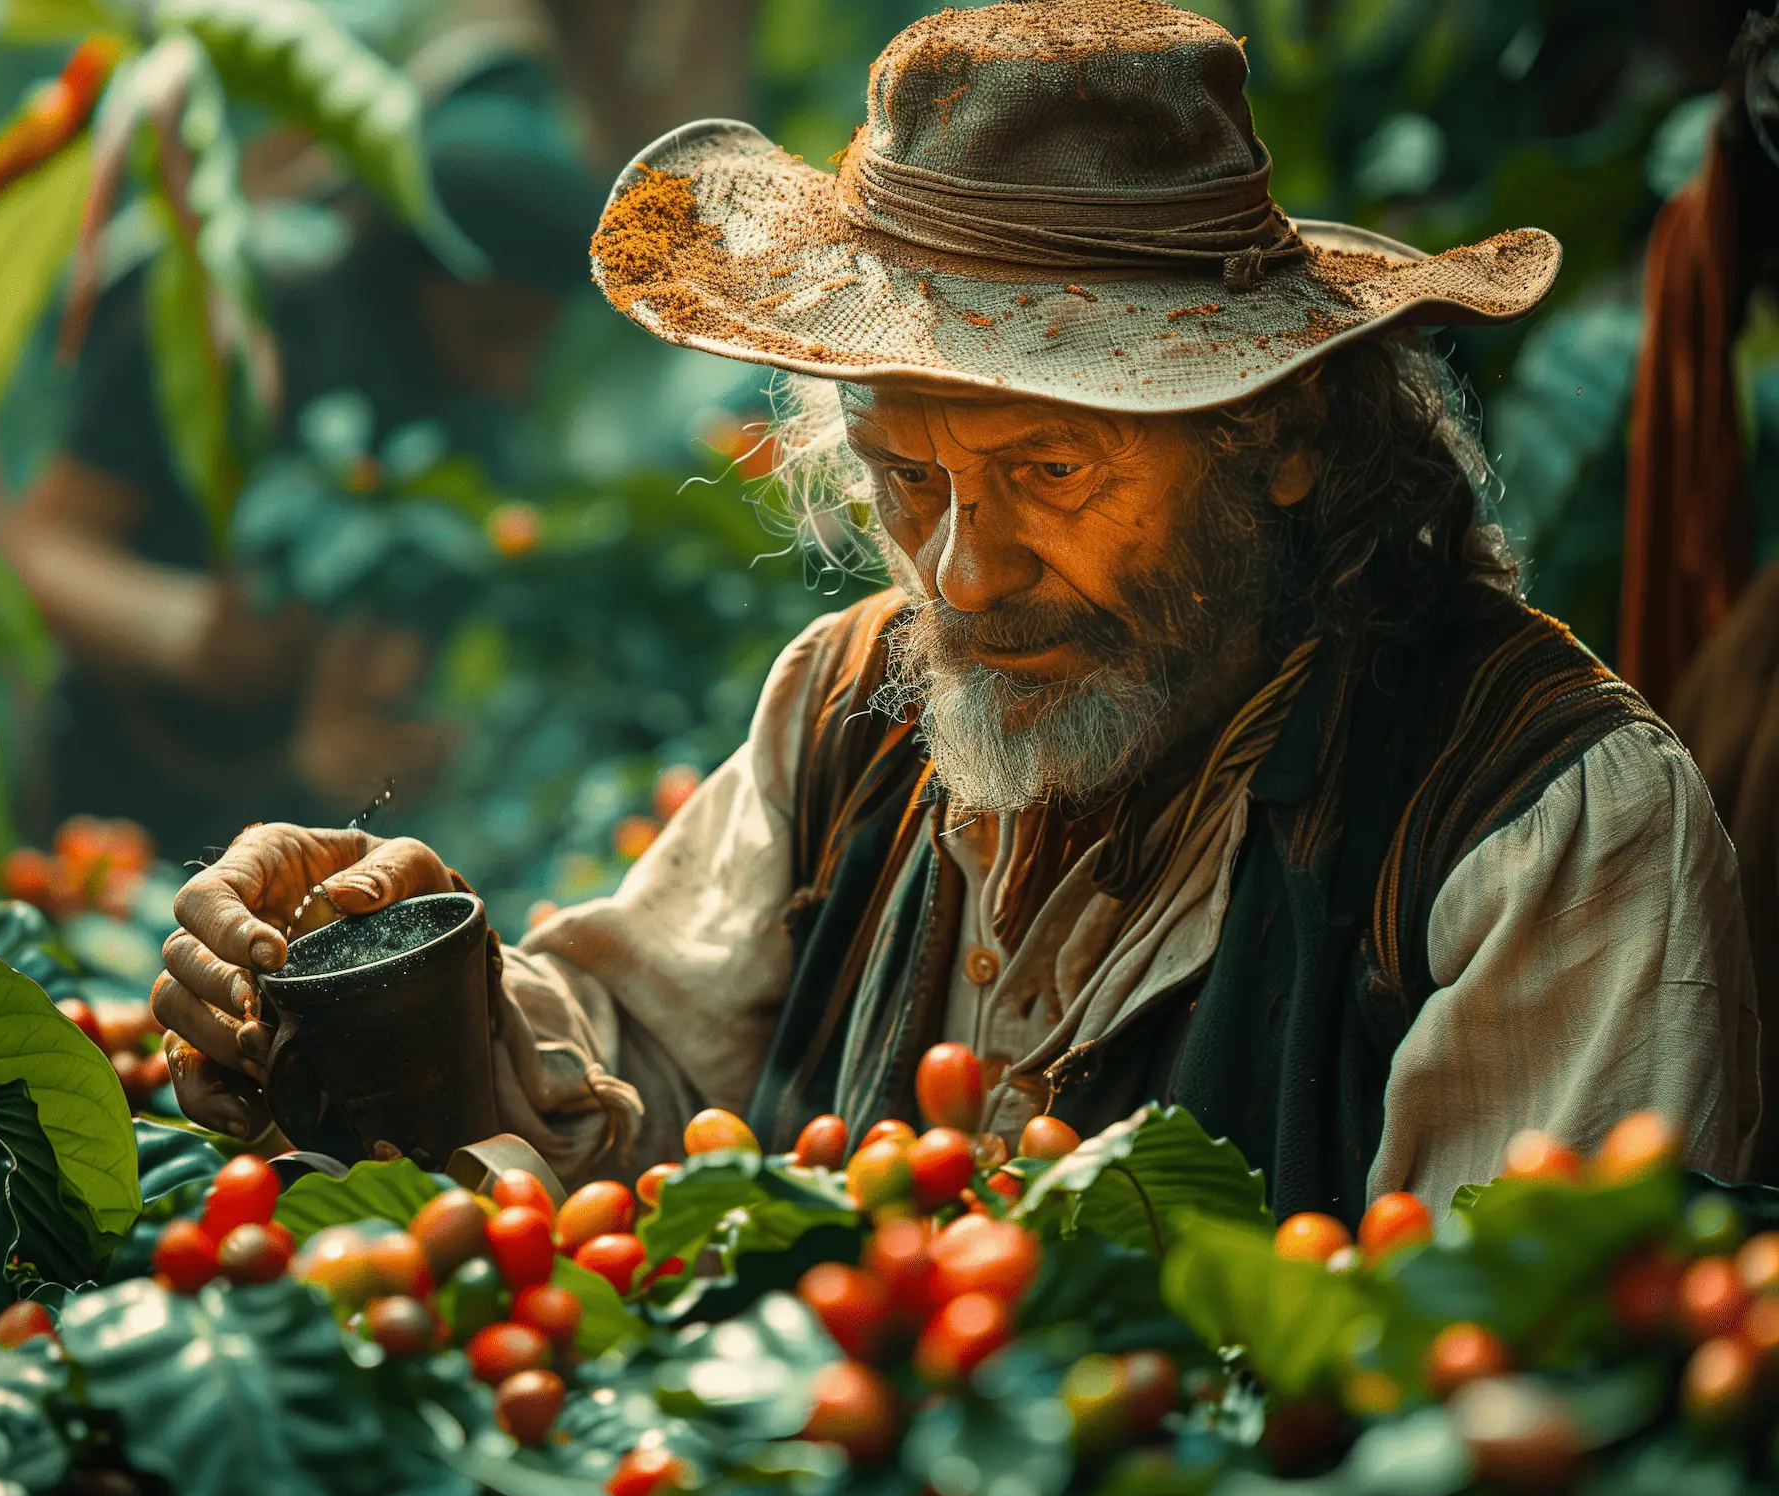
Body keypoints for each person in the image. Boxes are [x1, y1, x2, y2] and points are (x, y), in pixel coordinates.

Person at [150, 1, 1760, 1222]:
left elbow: (1513, 1400)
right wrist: (384, 971)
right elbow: (632, 1070)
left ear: (1279, 435)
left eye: (1052, 467)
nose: (964, 576)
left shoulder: (1541, 828)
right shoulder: (855, 702)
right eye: (906, 476)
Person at [7, 61, 601, 855]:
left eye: (537, 340)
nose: (512, 374)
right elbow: (43, 545)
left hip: (289, 831)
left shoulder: (468, 423)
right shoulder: (237, 319)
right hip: (108, 797)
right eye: (492, 329)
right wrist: (183, 629)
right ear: (413, 272)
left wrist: (374, 726)